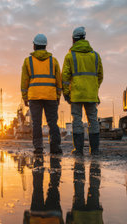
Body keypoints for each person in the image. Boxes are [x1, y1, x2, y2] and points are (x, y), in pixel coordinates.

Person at [62, 27, 103, 156]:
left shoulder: (70, 56)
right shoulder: (95, 56)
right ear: (84, 38)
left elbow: (65, 77)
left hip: (76, 95)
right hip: (91, 94)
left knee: (77, 121)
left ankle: (78, 150)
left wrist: (66, 93)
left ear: (73, 39)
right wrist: (94, 88)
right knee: (93, 120)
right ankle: (94, 150)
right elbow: (100, 75)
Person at [21, 34, 63, 154]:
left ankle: (38, 147)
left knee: (36, 123)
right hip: (50, 96)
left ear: (34, 45)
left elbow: (24, 81)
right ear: (45, 46)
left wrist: (25, 97)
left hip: (34, 96)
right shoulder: (53, 61)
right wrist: (58, 96)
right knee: (52, 123)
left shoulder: (28, 61)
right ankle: (55, 147)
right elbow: (59, 81)